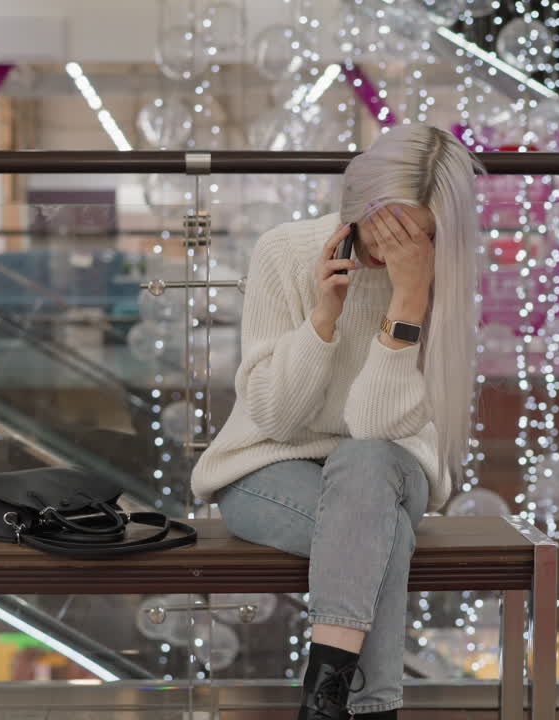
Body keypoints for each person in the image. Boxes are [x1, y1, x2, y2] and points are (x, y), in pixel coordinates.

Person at [190, 124, 482, 720]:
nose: (392, 247)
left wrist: (407, 302)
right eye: (385, 224)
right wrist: (324, 317)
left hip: (392, 467)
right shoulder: (286, 251)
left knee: (365, 460)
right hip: (268, 468)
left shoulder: (435, 279)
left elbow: (375, 428)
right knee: (385, 534)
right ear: (356, 206)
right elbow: (276, 417)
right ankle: (368, 709)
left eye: (415, 236)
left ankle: (320, 703)